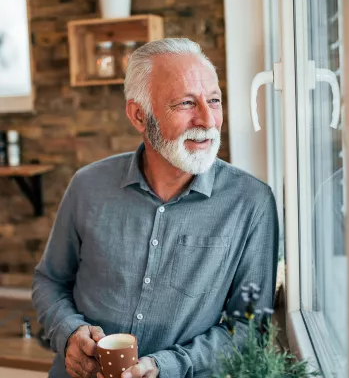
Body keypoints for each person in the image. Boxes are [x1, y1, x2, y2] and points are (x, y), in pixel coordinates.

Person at [32, 38, 279, 378]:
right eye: (186, 103)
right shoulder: (87, 185)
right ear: (138, 115)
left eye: (214, 100)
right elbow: (50, 281)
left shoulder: (252, 202)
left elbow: (250, 329)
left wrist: (166, 366)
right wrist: (68, 332)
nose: (207, 120)